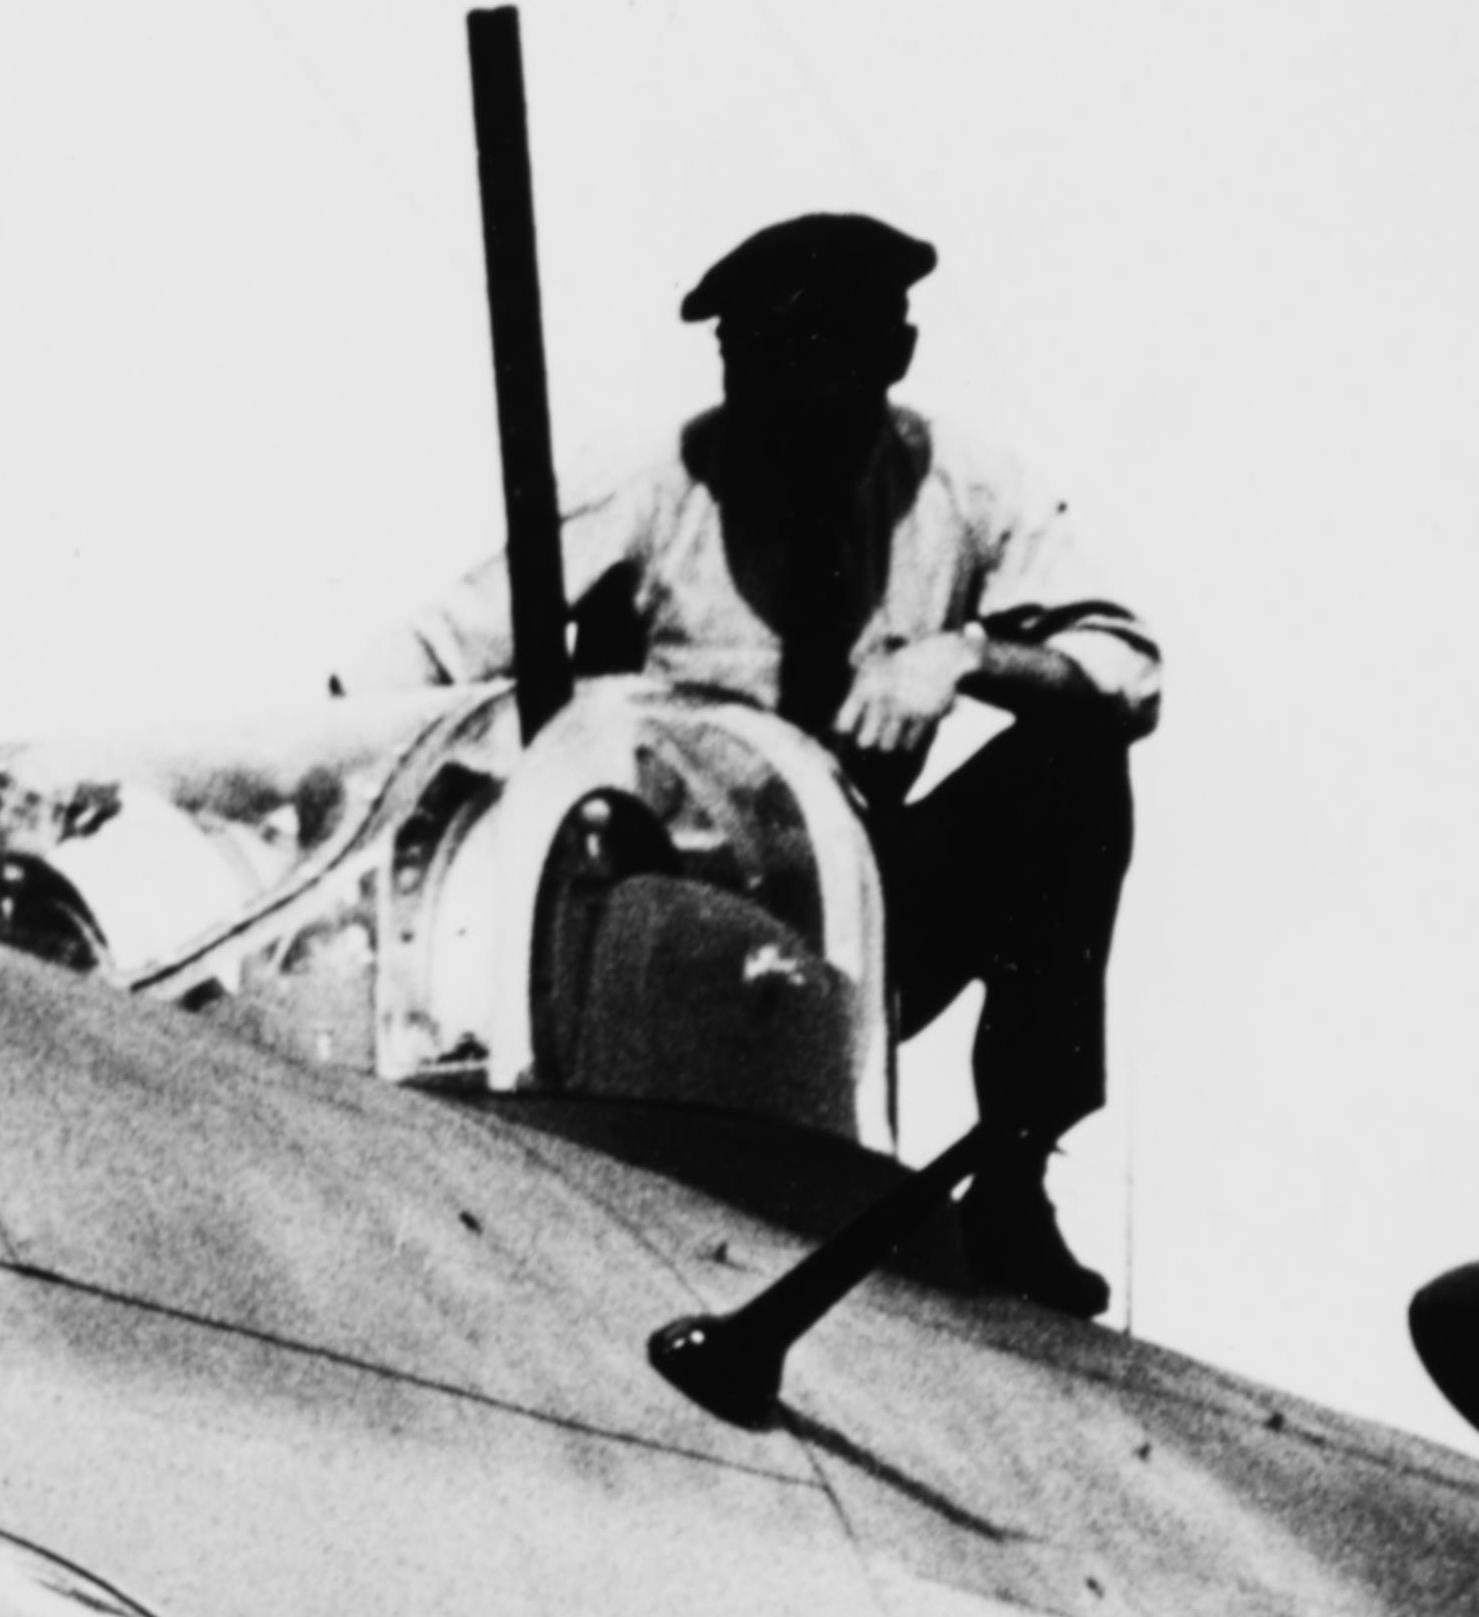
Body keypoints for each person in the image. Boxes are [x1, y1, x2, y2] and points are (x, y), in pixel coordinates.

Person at [370, 209, 1156, 1312]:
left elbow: (1125, 669)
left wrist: (963, 657)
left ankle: (1012, 1177)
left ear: (894, 360)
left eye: (820, 368)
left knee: (1071, 773)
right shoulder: (650, 483)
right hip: (651, 935)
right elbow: (425, 660)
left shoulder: (969, 489)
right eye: (754, 367)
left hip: (856, 927)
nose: (785, 411)